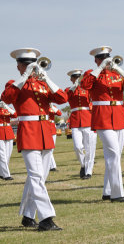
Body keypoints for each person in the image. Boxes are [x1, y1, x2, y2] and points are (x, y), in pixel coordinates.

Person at [2, 47, 67, 230]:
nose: (31, 67)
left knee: (38, 177)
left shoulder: (42, 83)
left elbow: (62, 98)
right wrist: (25, 77)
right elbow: (6, 98)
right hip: (29, 131)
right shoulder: (15, 83)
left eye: (33, 64)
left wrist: (46, 78)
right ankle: (46, 218)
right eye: (27, 64)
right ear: (19, 66)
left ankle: (28, 215)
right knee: (37, 177)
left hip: (46, 131)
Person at [80, 45, 124, 202]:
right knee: (113, 154)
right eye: (102, 58)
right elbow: (84, 85)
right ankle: (117, 194)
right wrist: (99, 68)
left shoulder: (116, 74)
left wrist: (118, 69)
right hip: (102, 117)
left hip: (118, 116)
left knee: (114, 156)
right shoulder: (92, 74)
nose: (106, 61)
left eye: (107, 58)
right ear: (96, 60)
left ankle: (107, 191)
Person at [66, 69, 97, 179]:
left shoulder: (87, 89)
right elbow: (65, 97)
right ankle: (83, 165)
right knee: (77, 146)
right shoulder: (69, 90)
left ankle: (89, 171)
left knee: (89, 148)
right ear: (71, 79)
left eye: (79, 77)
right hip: (75, 120)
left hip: (87, 119)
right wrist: (75, 85)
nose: (77, 79)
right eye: (75, 77)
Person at [0, 101, 17, 180]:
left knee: (8, 155)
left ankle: (1, 172)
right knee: (2, 155)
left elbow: (15, 115)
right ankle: (6, 175)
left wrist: (6, 107)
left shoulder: (7, 109)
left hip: (8, 132)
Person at [48, 103, 62, 172]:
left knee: (51, 149)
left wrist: (52, 107)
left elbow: (59, 113)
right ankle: (52, 166)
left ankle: (49, 166)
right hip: (45, 128)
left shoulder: (53, 107)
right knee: (48, 150)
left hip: (52, 129)